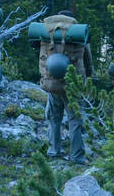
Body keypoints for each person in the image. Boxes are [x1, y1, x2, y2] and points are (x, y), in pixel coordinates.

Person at [38, 10, 91, 164]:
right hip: (72, 84)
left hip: (52, 82)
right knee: (75, 120)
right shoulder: (77, 33)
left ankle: (54, 150)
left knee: (54, 118)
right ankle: (77, 156)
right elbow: (87, 58)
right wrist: (88, 76)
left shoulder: (47, 33)